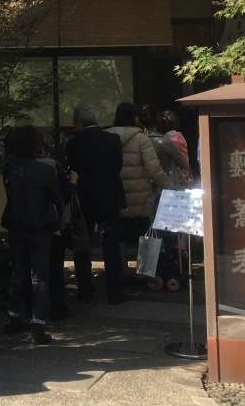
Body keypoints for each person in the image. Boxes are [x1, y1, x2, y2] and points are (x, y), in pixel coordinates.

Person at [0, 126, 66, 345]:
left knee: (18, 272)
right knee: (40, 275)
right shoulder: (47, 166)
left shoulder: (11, 167)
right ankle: (38, 325)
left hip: (16, 225)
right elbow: (57, 197)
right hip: (41, 227)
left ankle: (13, 318)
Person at [66, 106, 128, 305]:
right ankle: (115, 292)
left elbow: (72, 172)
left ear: (78, 121)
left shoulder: (74, 144)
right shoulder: (113, 140)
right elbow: (117, 167)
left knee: (83, 246)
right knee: (111, 246)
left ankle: (85, 291)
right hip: (109, 198)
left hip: (84, 201)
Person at [110, 102, 171, 292]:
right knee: (145, 235)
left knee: (119, 237)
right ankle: (145, 274)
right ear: (135, 119)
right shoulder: (141, 139)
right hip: (141, 197)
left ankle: (123, 273)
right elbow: (153, 169)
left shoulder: (107, 137)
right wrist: (168, 187)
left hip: (116, 196)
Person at [142, 105, 190, 190]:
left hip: (145, 186)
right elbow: (183, 164)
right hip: (167, 186)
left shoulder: (138, 140)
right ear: (158, 120)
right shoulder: (166, 142)